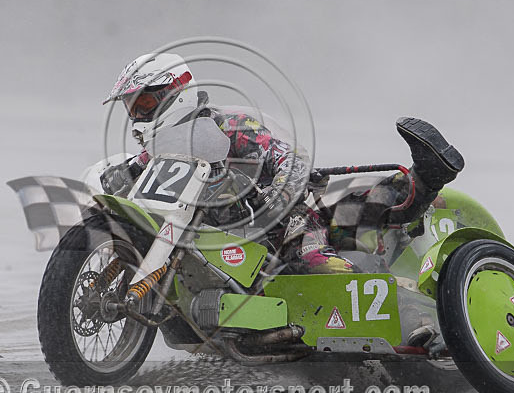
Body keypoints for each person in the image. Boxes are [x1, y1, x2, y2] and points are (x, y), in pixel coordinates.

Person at [101, 53, 464, 274]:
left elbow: (289, 159)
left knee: (312, 259)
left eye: (143, 105)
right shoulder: (156, 155)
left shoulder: (230, 127)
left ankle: (426, 182)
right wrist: (111, 180)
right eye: (131, 108)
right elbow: (130, 182)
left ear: (172, 95)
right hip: (212, 242)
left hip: (281, 226)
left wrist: (279, 189)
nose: (136, 116)